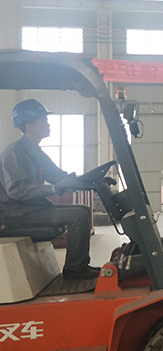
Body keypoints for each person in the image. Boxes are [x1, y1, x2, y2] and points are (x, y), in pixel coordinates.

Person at [0, 99, 99, 279]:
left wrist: (90, 180)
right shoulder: (13, 153)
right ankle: (75, 270)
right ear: (29, 126)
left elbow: (57, 176)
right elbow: (16, 191)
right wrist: (53, 189)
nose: (48, 124)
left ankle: (80, 266)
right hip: (17, 215)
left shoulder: (36, 152)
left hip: (31, 209)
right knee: (78, 215)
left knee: (83, 210)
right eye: (44, 120)